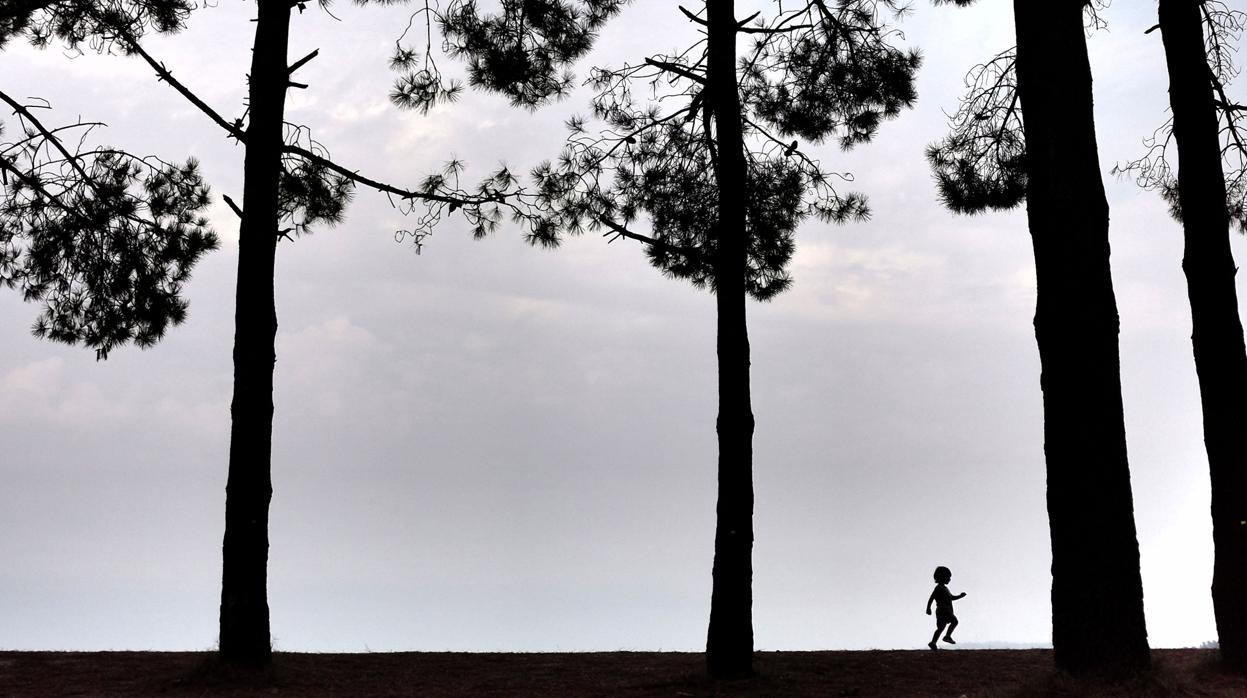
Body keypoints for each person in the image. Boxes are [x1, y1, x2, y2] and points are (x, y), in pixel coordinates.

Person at [925, 565, 966, 650]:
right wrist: (928, 608)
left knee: (940, 628)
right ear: (942, 577)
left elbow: (951, 597)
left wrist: (960, 596)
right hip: (944, 609)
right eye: (948, 577)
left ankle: (933, 642)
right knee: (954, 621)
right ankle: (947, 636)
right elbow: (931, 598)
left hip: (941, 611)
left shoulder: (945, 588)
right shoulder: (938, 588)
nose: (949, 579)